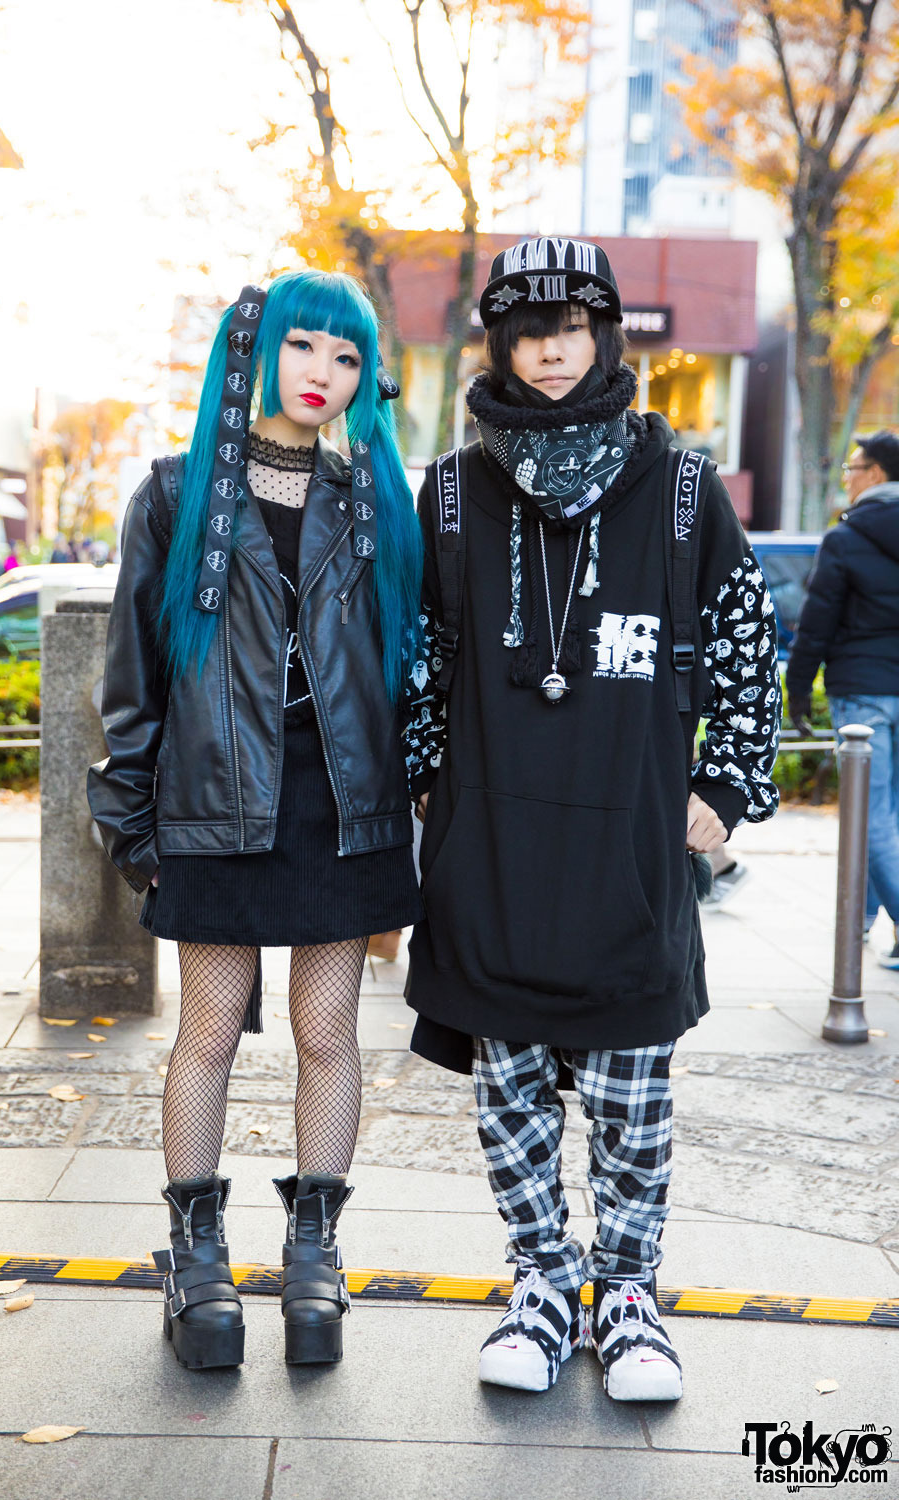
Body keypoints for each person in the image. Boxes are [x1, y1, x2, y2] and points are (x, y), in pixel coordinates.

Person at [402, 237, 780, 1402]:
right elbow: (417, 654)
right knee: (508, 1089)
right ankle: (536, 1281)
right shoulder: (455, 489)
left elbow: (746, 643)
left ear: (606, 333)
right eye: (525, 329)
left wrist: (723, 791)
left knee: (630, 1095)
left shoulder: (679, 484)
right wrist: (428, 787)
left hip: (627, 849)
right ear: (500, 346)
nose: (550, 349)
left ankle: (625, 1294)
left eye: (570, 325)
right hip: (495, 852)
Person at [87, 271, 423, 1373]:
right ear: (256, 355)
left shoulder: (371, 499)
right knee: (211, 1030)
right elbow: (133, 681)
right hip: (215, 807)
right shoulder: (175, 494)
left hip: (338, 809)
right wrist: (133, 827)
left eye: (345, 357)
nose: (324, 375)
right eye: (303, 349)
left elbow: (401, 672)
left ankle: (316, 1257)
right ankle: (194, 1258)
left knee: (330, 1034)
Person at [786, 430, 899, 967]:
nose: (847, 478)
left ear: (876, 474)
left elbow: (816, 624)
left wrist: (799, 691)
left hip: (863, 693)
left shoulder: (847, 538)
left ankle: (887, 917)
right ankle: (864, 919)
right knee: (888, 817)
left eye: (853, 467)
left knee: (870, 818)